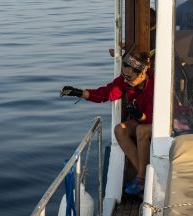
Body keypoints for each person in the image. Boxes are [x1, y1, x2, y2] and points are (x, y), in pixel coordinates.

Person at [60, 51, 153, 196]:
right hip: (142, 120)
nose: (125, 80)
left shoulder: (154, 86)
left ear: (142, 73)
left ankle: (141, 179)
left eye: (129, 77)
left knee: (141, 130)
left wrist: (139, 115)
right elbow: (106, 93)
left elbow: (153, 118)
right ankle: (146, 175)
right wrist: (79, 93)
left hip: (162, 122)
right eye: (123, 76)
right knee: (119, 130)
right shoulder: (126, 82)